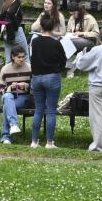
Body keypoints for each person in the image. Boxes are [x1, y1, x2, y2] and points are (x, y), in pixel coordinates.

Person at [28, 13, 64, 149]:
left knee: (38, 110)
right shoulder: (56, 43)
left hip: (37, 77)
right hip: (52, 77)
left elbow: (32, 59)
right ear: (53, 26)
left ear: (41, 26)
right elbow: (63, 60)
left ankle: (34, 141)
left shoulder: (35, 42)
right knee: (51, 110)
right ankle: (49, 142)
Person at [0, 46, 33, 145]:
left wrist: (26, 86)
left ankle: (6, 136)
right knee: (7, 97)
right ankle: (13, 125)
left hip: (24, 97)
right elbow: (0, 88)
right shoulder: (5, 69)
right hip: (10, 96)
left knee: (6, 106)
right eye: (19, 57)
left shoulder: (29, 68)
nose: (22, 59)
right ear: (13, 57)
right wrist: (8, 89)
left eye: (23, 57)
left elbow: (35, 87)